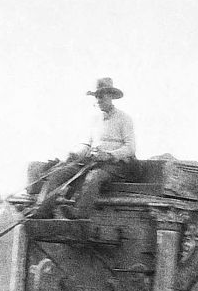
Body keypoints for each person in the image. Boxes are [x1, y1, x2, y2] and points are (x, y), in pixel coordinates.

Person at [24, 77, 137, 220]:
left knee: (94, 177)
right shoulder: (94, 120)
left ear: (110, 96)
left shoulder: (124, 119)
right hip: (92, 161)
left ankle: (79, 214)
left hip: (117, 165)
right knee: (59, 173)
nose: (98, 100)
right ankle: (41, 210)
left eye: (101, 96)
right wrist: (75, 154)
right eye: (96, 97)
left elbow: (130, 148)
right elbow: (86, 145)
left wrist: (109, 155)